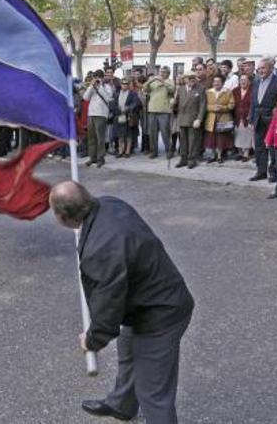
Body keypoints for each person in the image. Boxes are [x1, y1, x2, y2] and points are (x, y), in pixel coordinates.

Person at [48, 181, 195, 424]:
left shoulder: (101, 250)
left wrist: (92, 340)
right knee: (128, 350)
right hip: (147, 300)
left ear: (63, 217)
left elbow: (108, 310)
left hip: (162, 314)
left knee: (154, 395)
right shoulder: (108, 204)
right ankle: (122, 404)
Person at [249, 57, 277, 180]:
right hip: (258, 118)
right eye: (259, 68)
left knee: (272, 147)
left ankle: (273, 173)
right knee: (259, 147)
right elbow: (253, 101)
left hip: (271, 119)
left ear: (271, 68)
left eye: (263, 68)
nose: (261, 70)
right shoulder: (256, 81)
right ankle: (261, 172)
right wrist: (251, 117)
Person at [173, 71, 206, 169]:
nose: (191, 80)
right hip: (182, 118)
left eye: (193, 78)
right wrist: (172, 103)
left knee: (193, 141)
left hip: (193, 119)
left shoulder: (200, 89)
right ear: (185, 79)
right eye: (188, 78)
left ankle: (192, 159)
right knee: (183, 141)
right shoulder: (180, 89)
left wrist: (199, 119)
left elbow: (202, 105)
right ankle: (183, 159)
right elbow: (176, 104)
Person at [143, 66, 176, 159]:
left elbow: (172, 90)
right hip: (152, 110)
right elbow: (144, 88)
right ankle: (153, 151)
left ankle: (169, 151)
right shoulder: (154, 81)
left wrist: (162, 81)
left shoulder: (170, 81)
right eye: (161, 71)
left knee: (165, 132)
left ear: (168, 73)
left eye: (164, 72)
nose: (161, 73)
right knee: (152, 133)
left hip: (164, 111)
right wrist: (151, 80)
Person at [83, 70, 114, 167]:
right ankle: (92, 158)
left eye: (98, 77)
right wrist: (91, 86)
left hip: (101, 114)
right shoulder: (92, 86)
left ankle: (101, 158)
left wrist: (100, 86)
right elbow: (85, 98)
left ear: (102, 77)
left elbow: (108, 98)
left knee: (100, 137)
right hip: (91, 114)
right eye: (95, 77)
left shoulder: (106, 87)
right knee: (91, 137)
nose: (97, 79)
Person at [203, 74, 234, 163]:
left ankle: (220, 156)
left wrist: (223, 108)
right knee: (211, 137)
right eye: (215, 81)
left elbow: (232, 105)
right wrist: (213, 108)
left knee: (221, 137)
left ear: (222, 83)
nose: (216, 83)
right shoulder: (208, 92)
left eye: (218, 81)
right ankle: (213, 155)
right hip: (211, 118)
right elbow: (205, 105)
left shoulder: (228, 92)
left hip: (223, 118)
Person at [114, 78, 141, 158]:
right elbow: (112, 103)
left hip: (128, 116)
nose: (124, 85)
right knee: (120, 135)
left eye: (126, 84)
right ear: (121, 85)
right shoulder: (116, 93)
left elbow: (135, 103)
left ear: (128, 85)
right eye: (123, 84)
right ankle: (120, 151)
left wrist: (128, 108)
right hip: (119, 116)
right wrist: (117, 109)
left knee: (129, 135)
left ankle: (127, 151)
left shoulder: (133, 94)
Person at [232, 72, 255, 162]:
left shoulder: (253, 90)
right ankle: (240, 153)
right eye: (241, 80)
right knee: (238, 134)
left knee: (247, 135)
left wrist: (251, 115)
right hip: (237, 116)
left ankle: (246, 153)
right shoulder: (235, 90)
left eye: (245, 80)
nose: (243, 82)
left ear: (249, 81)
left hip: (247, 116)